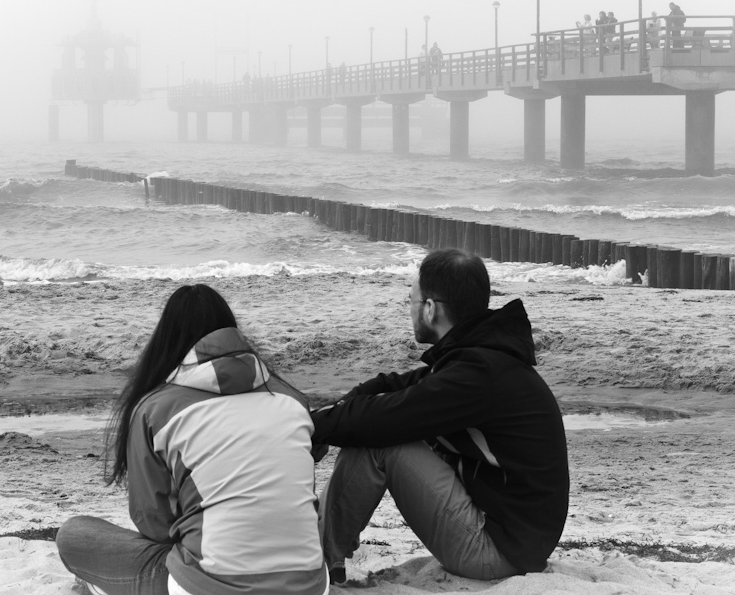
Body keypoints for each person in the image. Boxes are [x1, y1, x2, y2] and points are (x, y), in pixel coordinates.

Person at [311, 249, 569, 585]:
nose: (410, 310)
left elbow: (385, 417)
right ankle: (322, 551)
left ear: (430, 309)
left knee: (380, 442)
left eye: (411, 301)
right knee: (377, 423)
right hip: (514, 538)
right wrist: (331, 416)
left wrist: (308, 427)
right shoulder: (479, 362)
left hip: (497, 551)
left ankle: (318, 563)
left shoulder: (478, 375)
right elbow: (393, 386)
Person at [56, 285, 329, 595]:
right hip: (309, 584)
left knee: (73, 535)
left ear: (167, 340)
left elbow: (154, 524)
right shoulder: (290, 398)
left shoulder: (156, 409)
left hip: (210, 585)